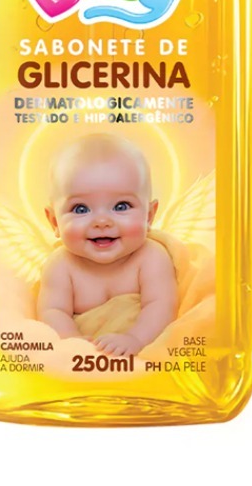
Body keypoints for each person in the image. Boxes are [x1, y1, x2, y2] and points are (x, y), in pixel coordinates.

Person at [37, 133, 178, 356]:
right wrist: (72, 342)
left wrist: (135, 339)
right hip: (85, 357)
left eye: (121, 206)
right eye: (80, 209)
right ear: (54, 222)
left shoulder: (152, 257)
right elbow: (53, 312)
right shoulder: (60, 266)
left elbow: (162, 306)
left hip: (143, 346)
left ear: (149, 216)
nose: (102, 221)